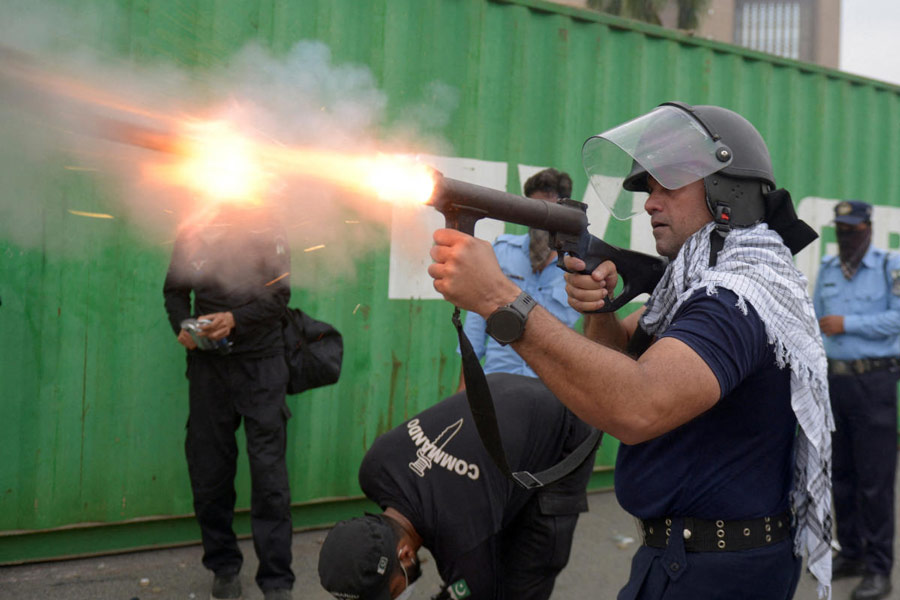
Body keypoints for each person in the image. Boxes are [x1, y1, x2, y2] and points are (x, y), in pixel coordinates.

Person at [427, 102, 834, 599]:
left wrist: (499, 299)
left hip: (717, 574)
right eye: (649, 189)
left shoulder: (736, 296)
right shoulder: (695, 289)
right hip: (681, 558)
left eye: (668, 186)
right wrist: (599, 307)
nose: (649, 203)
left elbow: (637, 403)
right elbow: (618, 367)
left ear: (727, 191)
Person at [317, 372, 597, 600]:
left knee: (528, 574)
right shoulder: (374, 469)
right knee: (490, 546)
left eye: (390, 595)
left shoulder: (459, 535)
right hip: (503, 390)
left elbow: (475, 589)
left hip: (565, 424)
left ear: (405, 554)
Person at [163, 204, 294, 600]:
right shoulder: (193, 228)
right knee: (209, 472)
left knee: (269, 478)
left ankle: (276, 582)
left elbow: (280, 296)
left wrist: (235, 318)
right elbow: (173, 291)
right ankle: (223, 566)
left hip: (261, 367)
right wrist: (182, 327)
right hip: (208, 369)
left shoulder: (270, 225)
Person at [813, 200, 900, 600]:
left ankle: (880, 568)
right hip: (835, 384)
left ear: (867, 226)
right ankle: (852, 554)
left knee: (875, 484)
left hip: (874, 384)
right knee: (842, 477)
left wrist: (848, 323)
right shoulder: (829, 270)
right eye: (840, 228)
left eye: (853, 227)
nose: (846, 234)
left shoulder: (889, 265)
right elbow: (813, 319)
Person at [458, 168, 581, 389]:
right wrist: (463, 398)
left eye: (550, 212)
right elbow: (474, 334)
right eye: (534, 211)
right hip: (497, 387)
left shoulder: (577, 267)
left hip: (551, 392)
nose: (541, 222)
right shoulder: (501, 252)